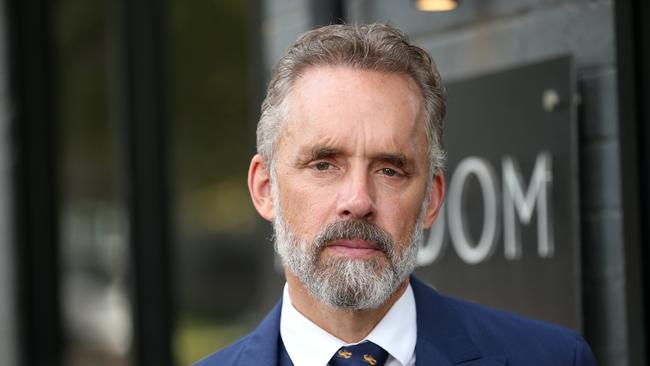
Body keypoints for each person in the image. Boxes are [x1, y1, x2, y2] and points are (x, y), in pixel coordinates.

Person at [195, 23, 597, 366]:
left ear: (432, 199)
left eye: (390, 169)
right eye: (324, 164)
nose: (358, 200)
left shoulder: (552, 357)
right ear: (265, 188)